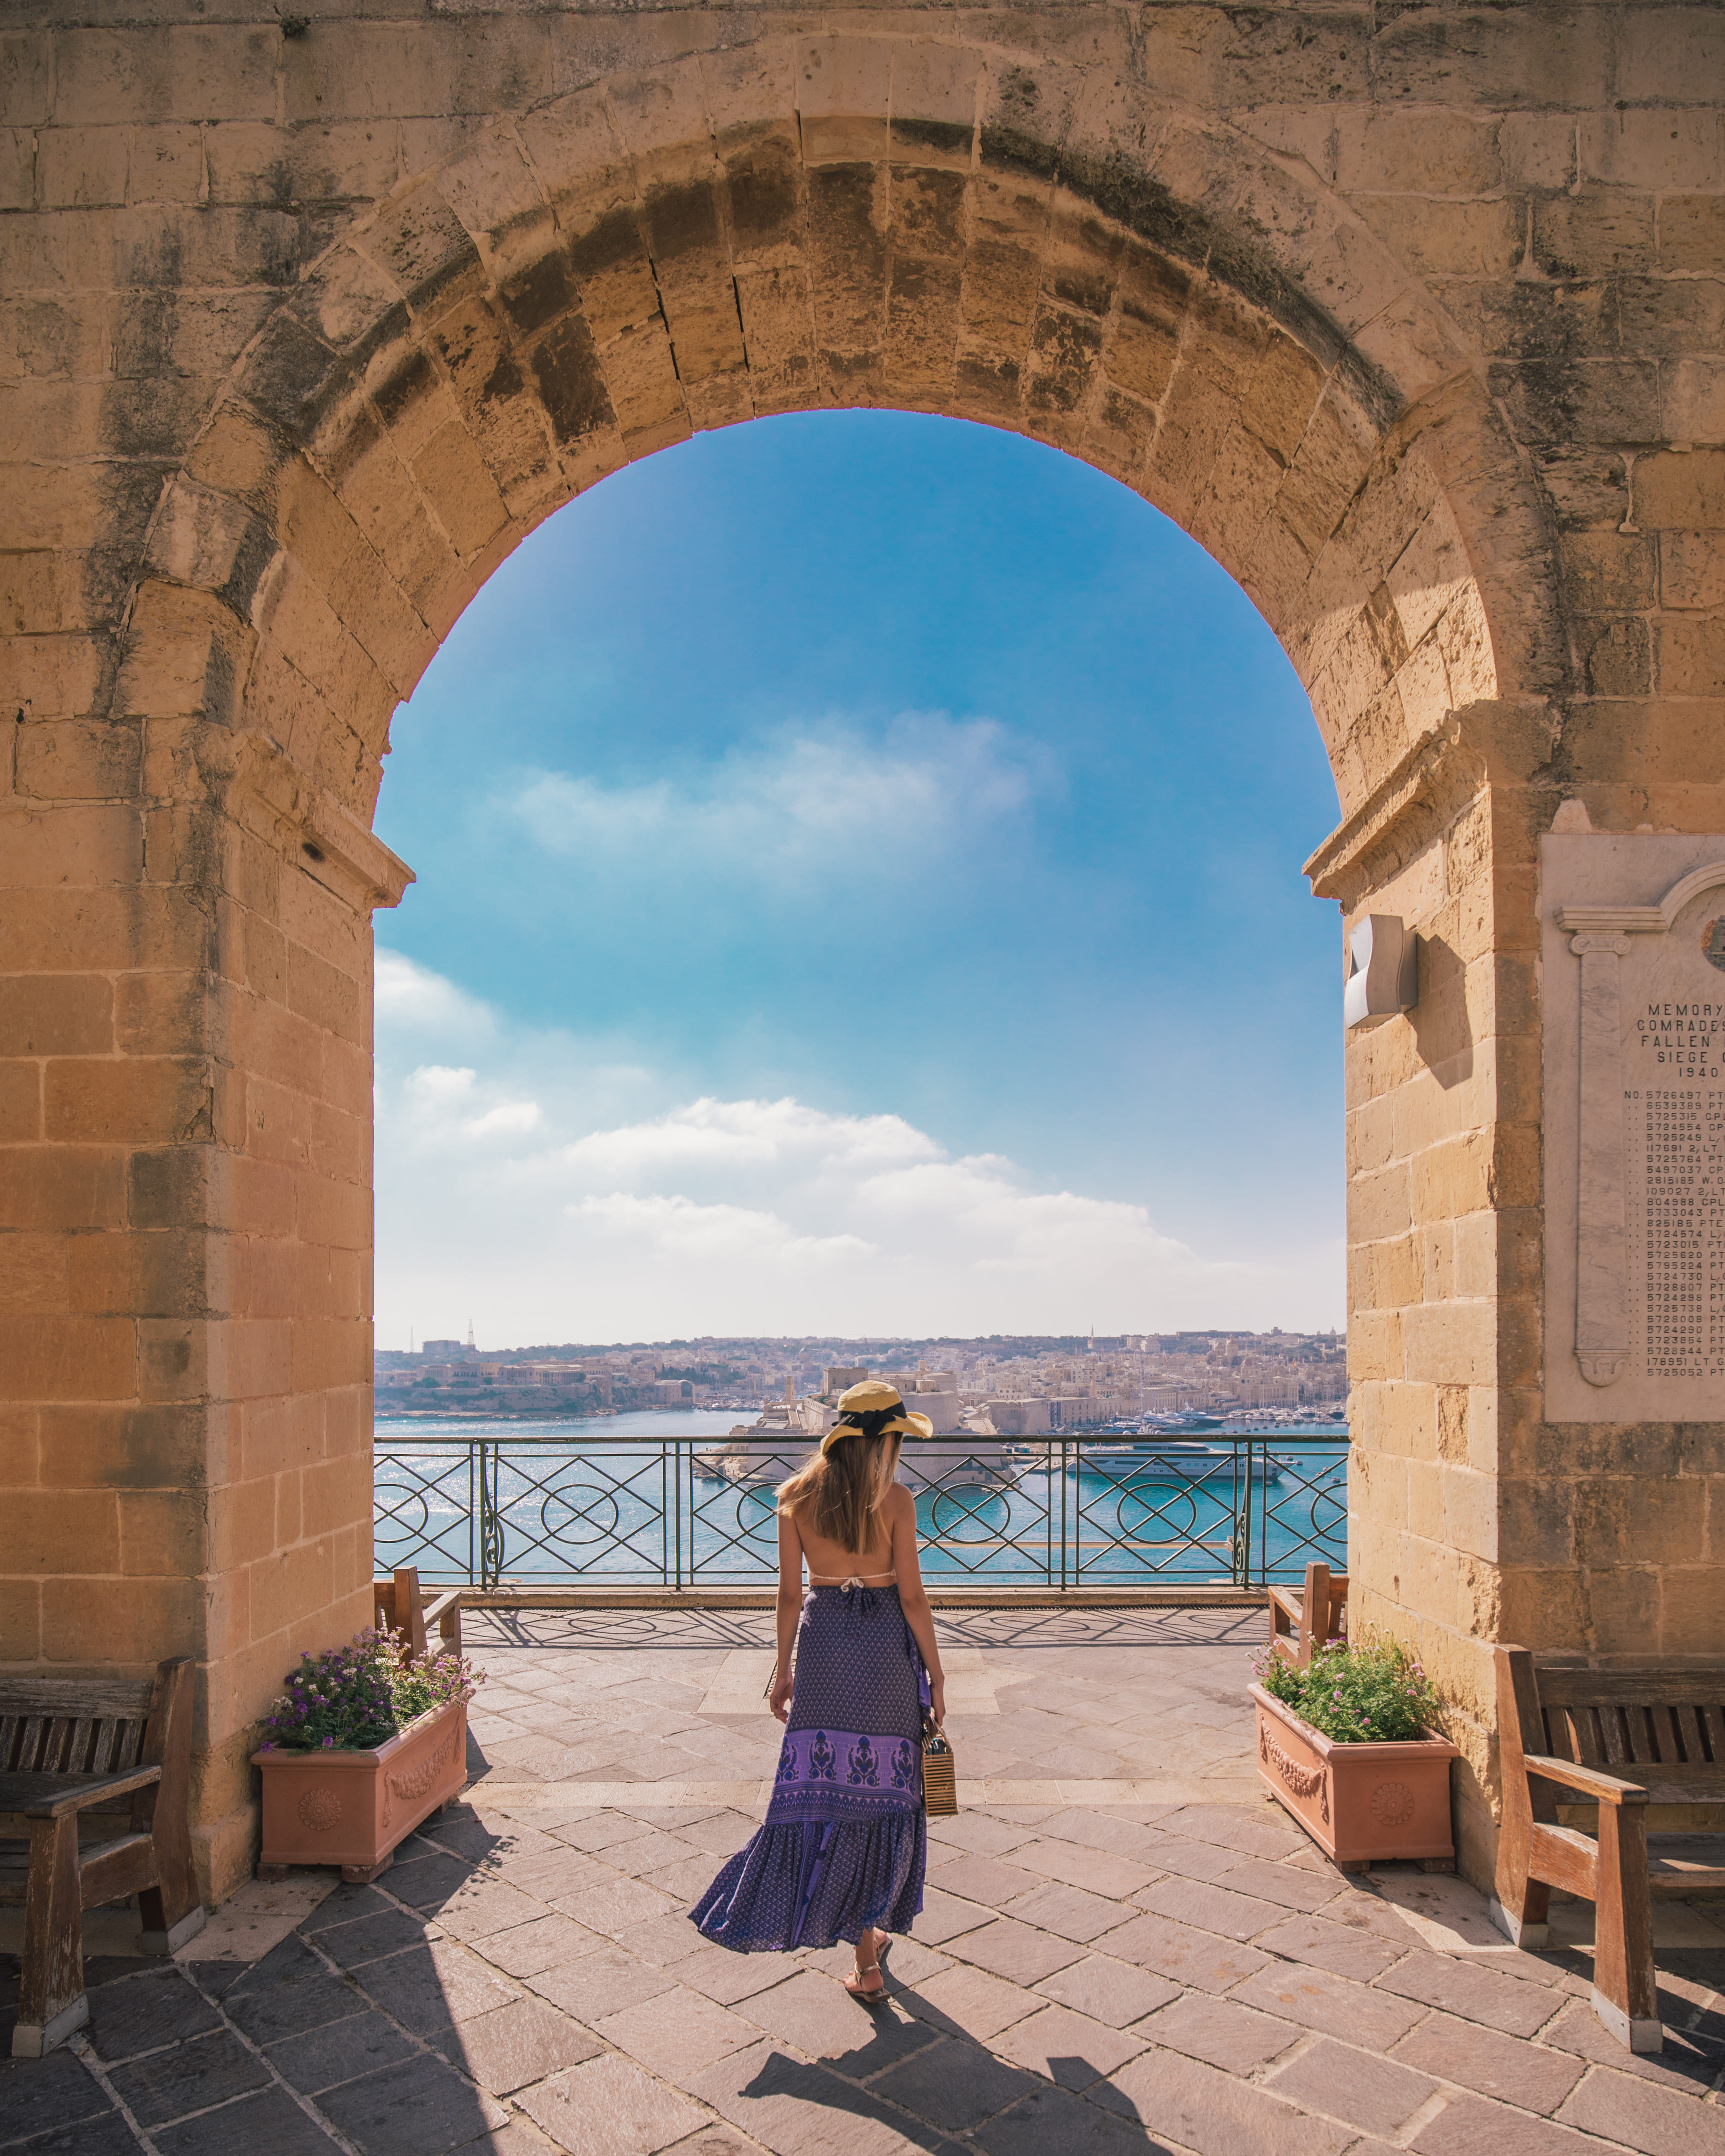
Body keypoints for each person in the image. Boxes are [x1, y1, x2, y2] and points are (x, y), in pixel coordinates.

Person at [689, 1380, 948, 2001]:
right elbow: (911, 1596)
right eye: (896, 1439)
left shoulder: (794, 1498)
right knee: (881, 1791)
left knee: (828, 1793)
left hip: (827, 1649)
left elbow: (786, 1596)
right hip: (885, 1652)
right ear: (882, 1442)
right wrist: (937, 1674)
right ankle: (869, 1939)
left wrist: (783, 1669)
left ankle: (865, 1955)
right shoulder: (898, 1501)